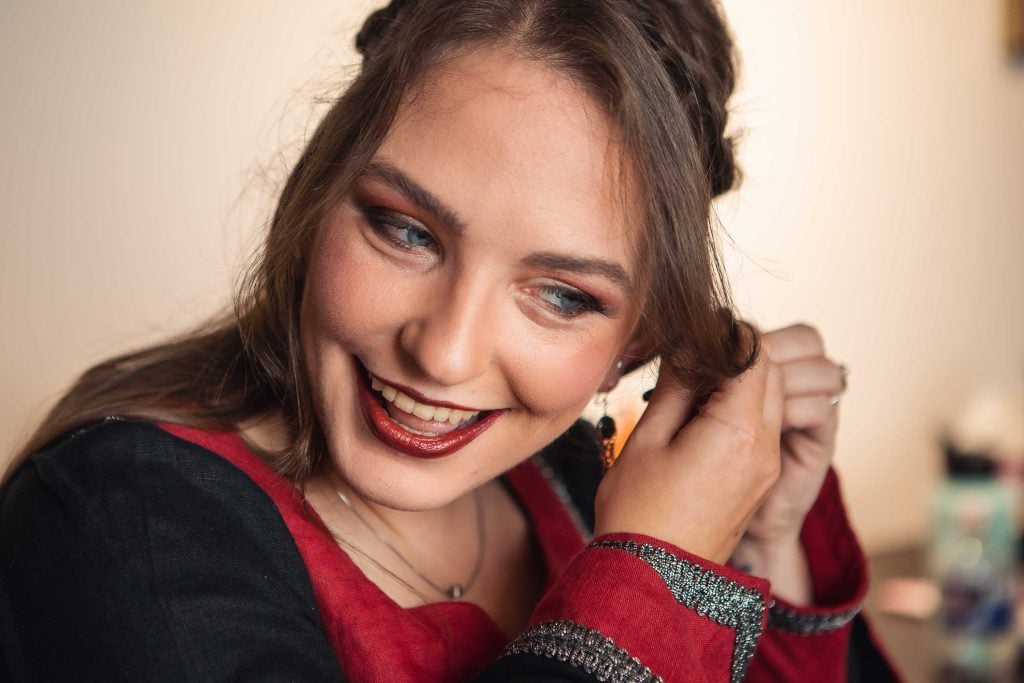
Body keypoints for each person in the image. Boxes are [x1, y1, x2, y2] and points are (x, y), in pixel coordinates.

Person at [0, 0, 898, 680]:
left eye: (561, 295)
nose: (445, 353)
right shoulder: (114, 521)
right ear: (318, 199)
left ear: (639, 340)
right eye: (406, 231)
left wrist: (761, 539)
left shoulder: (572, 481)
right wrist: (657, 574)